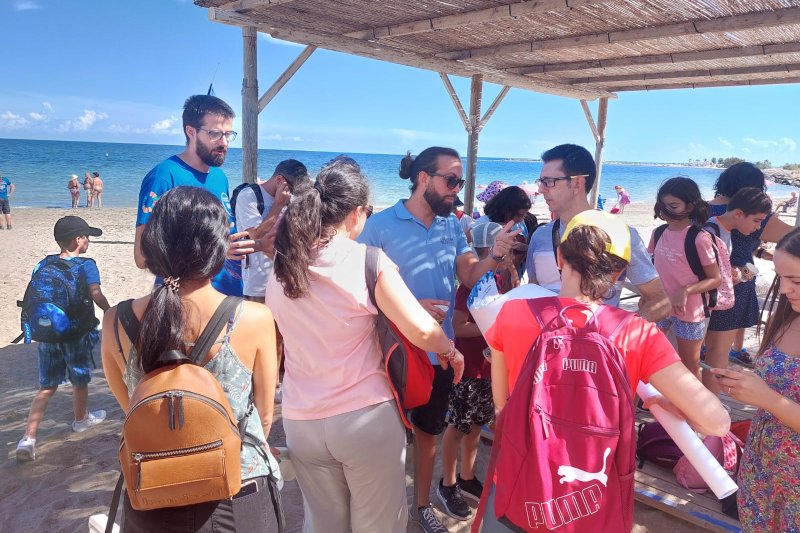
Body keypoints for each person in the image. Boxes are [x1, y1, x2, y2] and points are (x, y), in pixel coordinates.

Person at [483, 210, 731, 531]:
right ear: (618, 274)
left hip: (521, 487)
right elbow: (716, 422)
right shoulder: (637, 334)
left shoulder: (513, 313)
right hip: (589, 504)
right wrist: (664, 402)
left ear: (560, 258)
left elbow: (502, 402)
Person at [265, 161, 456, 533]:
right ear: (355, 213)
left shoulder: (282, 267)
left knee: (323, 525)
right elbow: (421, 329)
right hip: (364, 418)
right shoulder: (366, 261)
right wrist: (450, 349)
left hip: (302, 419)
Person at [101, 186, 281, 532]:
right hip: (237, 489)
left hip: (153, 489)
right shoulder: (253, 318)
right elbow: (264, 415)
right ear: (218, 248)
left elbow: (131, 406)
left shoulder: (115, 321)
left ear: (154, 244)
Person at [358, 146, 518, 532]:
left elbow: (469, 275)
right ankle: (379, 510)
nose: (456, 190)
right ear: (423, 178)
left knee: (429, 435)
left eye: (460, 182)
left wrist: (495, 256)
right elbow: (357, 291)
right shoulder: (378, 226)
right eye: (451, 181)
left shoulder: (452, 226)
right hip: (389, 354)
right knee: (382, 438)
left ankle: (421, 505)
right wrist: (410, 307)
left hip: (440, 355)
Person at [712, 227, 800, 531]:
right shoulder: (786, 319)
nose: (785, 290)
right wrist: (746, 382)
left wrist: (767, 398)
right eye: (781, 277)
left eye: (796, 280)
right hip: (762, 468)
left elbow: (774, 397)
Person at [525, 143, 670, 322]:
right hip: (548, 337)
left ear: (577, 183)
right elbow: (533, 290)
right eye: (540, 182)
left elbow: (661, 300)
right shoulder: (540, 235)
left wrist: (618, 332)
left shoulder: (621, 235)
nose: (541, 189)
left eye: (549, 181)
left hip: (598, 338)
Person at [134, 95, 253, 297]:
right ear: (191, 132)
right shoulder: (164, 176)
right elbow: (142, 256)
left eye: (228, 134)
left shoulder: (219, 177)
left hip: (228, 295)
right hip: (186, 300)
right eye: (215, 134)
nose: (224, 142)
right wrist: (218, 249)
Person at [16, 215, 111, 462]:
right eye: (87, 237)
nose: (88, 241)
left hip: (47, 334)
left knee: (47, 386)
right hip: (76, 334)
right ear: (77, 240)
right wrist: (109, 311)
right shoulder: (86, 264)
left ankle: (28, 438)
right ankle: (81, 420)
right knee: (79, 379)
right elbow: (95, 293)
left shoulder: (44, 263)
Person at [705, 162, 793, 375]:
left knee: (699, 348)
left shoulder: (702, 209)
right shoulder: (756, 215)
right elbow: (794, 237)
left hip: (702, 286)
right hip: (735, 288)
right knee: (718, 353)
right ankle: (710, 395)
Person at [648, 177, 721, 379]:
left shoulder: (699, 238)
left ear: (690, 206)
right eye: (663, 206)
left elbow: (716, 279)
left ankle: (690, 401)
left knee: (690, 366)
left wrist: (685, 290)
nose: (666, 212)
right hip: (660, 307)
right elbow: (651, 269)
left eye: (674, 206)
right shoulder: (658, 233)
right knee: (650, 358)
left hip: (690, 312)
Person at [234, 159, 308, 302]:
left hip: (284, 282)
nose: (292, 194)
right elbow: (256, 235)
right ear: (279, 180)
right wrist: (278, 205)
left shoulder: (289, 199)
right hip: (258, 284)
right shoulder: (248, 196)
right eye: (291, 189)